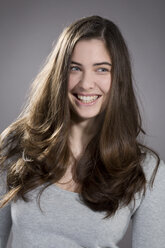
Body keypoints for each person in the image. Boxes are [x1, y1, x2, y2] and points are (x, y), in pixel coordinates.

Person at [0, 15, 165, 248]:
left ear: (118, 78)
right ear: (59, 75)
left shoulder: (147, 171)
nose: (86, 83)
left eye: (102, 69)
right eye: (75, 68)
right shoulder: (16, 146)